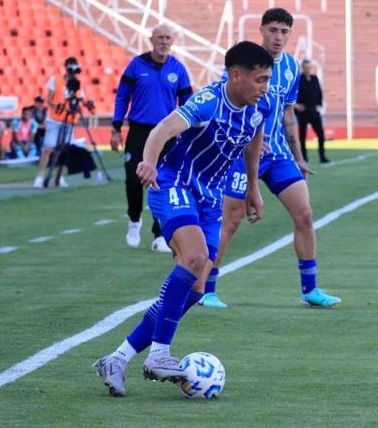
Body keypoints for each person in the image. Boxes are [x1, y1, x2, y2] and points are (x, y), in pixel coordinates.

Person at [93, 41, 273, 397]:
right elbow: (161, 130)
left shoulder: (258, 107)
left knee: (196, 288)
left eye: (268, 80)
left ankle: (117, 357)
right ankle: (159, 354)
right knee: (193, 257)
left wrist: (253, 188)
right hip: (172, 182)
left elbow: (253, 142)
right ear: (236, 75)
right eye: (260, 79)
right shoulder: (207, 101)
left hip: (208, 199)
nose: (265, 87)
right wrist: (147, 161)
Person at [199, 7, 341, 309]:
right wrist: (240, 138)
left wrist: (299, 156)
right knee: (232, 219)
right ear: (262, 29)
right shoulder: (242, 62)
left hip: (276, 152)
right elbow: (225, 102)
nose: (278, 37)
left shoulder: (290, 68)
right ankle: (206, 288)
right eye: (273, 30)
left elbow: (289, 113)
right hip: (240, 152)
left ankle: (310, 289)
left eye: (284, 32)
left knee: (304, 213)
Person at [111, 24, 193, 253]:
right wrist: (116, 126)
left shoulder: (178, 68)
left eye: (168, 38)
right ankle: (134, 220)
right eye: (160, 37)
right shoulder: (137, 65)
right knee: (133, 180)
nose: (164, 41)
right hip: (139, 132)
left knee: (162, 182)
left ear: (172, 41)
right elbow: (122, 97)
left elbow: (187, 103)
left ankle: (159, 234)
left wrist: (186, 131)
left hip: (166, 133)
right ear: (151, 39)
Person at [33, 57, 84, 188]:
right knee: (48, 148)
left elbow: (79, 101)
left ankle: (59, 177)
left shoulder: (77, 84)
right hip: (55, 119)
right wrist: (58, 106)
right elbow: (49, 99)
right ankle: (40, 177)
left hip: (69, 121)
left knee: (64, 151)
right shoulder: (55, 80)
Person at [294, 59, 329, 163]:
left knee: (321, 134)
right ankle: (304, 157)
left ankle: (322, 157)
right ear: (302, 68)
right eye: (305, 67)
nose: (307, 69)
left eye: (309, 67)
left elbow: (319, 92)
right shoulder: (298, 79)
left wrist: (319, 105)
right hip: (303, 111)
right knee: (302, 135)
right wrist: (296, 106)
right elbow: (292, 94)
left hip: (314, 111)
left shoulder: (314, 78)